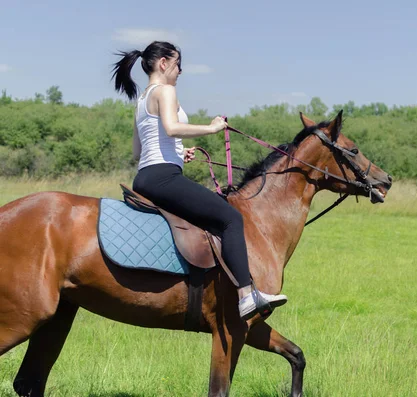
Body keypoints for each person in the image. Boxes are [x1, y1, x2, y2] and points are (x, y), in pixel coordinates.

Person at [111, 41, 287, 320]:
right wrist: (211, 128)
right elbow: (171, 127)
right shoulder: (166, 91)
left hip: (146, 176)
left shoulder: (142, 99)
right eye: (179, 63)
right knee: (231, 218)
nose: (181, 70)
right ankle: (246, 296)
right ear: (164, 63)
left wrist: (179, 152)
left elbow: (138, 151)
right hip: (163, 177)